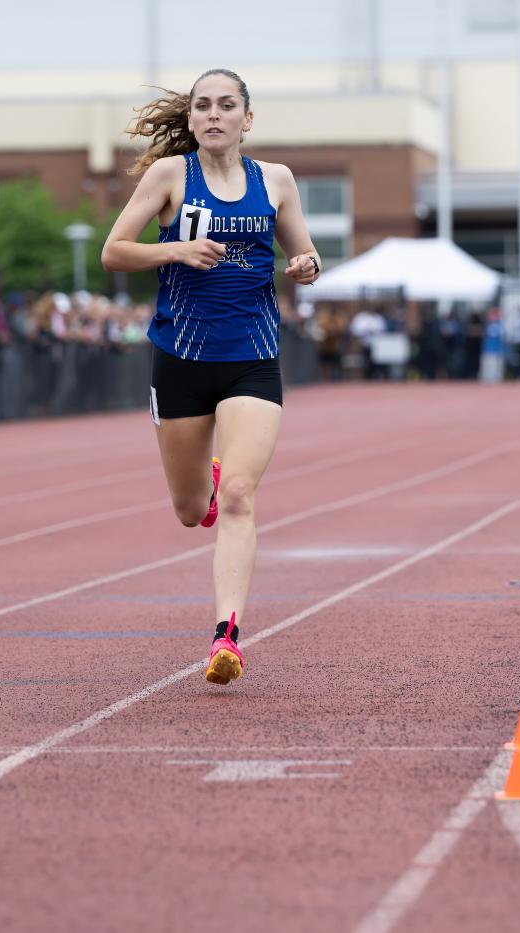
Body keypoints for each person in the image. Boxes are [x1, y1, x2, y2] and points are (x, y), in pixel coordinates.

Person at [101, 68, 320, 686]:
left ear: (247, 119)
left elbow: (303, 255)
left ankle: (227, 635)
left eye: (228, 105)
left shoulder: (275, 181)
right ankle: (209, 481)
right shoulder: (170, 177)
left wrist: (305, 265)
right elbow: (114, 251)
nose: (215, 114)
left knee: (241, 498)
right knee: (191, 507)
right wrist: (174, 250)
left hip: (253, 355)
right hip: (181, 358)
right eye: (204, 106)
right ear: (192, 120)